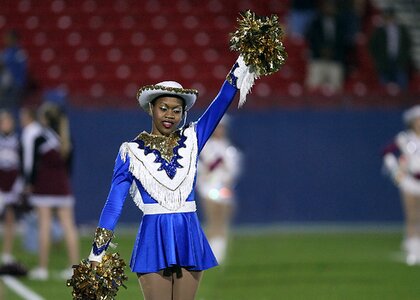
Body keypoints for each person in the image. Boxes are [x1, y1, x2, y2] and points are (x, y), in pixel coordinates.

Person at [20, 104, 79, 280]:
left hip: (44, 187)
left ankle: (42, 268)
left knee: (44, 226)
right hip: (62, 187)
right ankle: (75, 268)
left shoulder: (39, 138)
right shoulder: (67, 138)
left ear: (45, 119)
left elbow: (33, 165)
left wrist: (29, 183)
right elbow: (69, 168)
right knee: (69, 226)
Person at [196, 116, 242, 264]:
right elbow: (201, 168)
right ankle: (208, 252)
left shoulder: (228, 148)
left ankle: (220, 252)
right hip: (208, 188)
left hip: (224, 189)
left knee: (222, 221)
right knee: (212, 219)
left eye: (221, 127)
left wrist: (228, 178)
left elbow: (233, 170)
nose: (219, 130)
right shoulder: (205, 147)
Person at [382, 105, 420, 265]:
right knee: (412, 215)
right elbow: (387, 152)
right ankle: (413, 249)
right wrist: (395, 170)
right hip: (410, 180)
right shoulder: (405, 138)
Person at [0, 110, 26, 274]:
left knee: (10, 218)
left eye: (8, 122)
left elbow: (22, 163)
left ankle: (7, 252)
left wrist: (19, 184)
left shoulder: (19, 141)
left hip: (12, 183)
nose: (5, 125)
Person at [304, 0, 348, 94]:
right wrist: (321, 50)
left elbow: (343, 42)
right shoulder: (316, 23)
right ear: (323, 8)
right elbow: (312, 40)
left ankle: (336, 108)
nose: (329, 9)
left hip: (335, 59)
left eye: (332, 7)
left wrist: (332, 52)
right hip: (318, 58)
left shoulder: (341, 24)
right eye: (327, 7)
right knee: (313, 85)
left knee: (336, 87)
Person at [368, 7, 412, 91]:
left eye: (390, 17)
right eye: (386, 17)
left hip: (399, 61)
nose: (389, 20)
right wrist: (378, 59)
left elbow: (408, 44)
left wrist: (404, 57)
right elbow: (372, 46)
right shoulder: (379, 31)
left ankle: (402, 102)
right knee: (384, 88)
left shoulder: (402, 29)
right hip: (384, 62)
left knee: (402, 86)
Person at [0, 30, 28, 110]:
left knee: (12, 107)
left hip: (15, 86)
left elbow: (22, 70)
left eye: (8, 38)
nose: (5, 40)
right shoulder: (6, 52)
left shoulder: (19, 52)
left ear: (14, 39)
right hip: (5, 86)